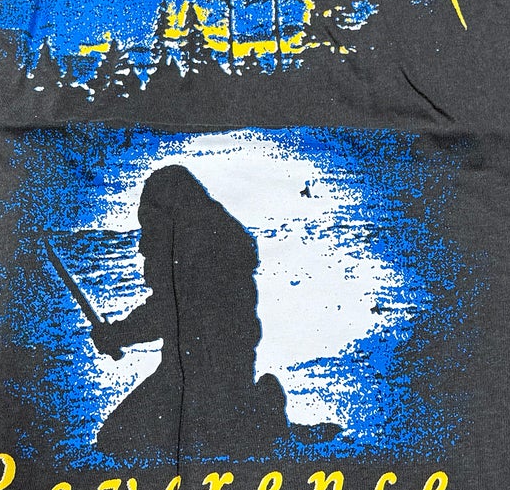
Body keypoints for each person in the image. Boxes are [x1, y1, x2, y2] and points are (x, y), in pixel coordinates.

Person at [90, 165, 336, 460]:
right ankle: (254, 408)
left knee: (121, 441)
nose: (145, 243)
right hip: (189, 376)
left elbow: (168, 313)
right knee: (117, 439)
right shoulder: (199, 243)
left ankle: (260, 409)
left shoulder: (204, 254)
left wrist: (118, 334)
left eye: (152, 225)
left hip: (210, 383)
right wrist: (118, 333)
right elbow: (168, 309)